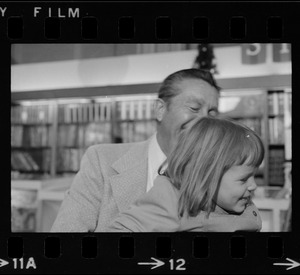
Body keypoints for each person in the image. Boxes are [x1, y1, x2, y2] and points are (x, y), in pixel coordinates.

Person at [51, 68, 220, 232]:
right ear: (160, 110)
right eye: (194, 108)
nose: (204, 121)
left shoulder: (221, 174)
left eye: (212, 113)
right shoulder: (101, 161)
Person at [107, 116, 264, 232]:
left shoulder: (238, 201)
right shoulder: (172, 198)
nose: (253, 185)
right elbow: (119, 233)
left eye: (254, 176)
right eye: (243, 179)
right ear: (206, 175)